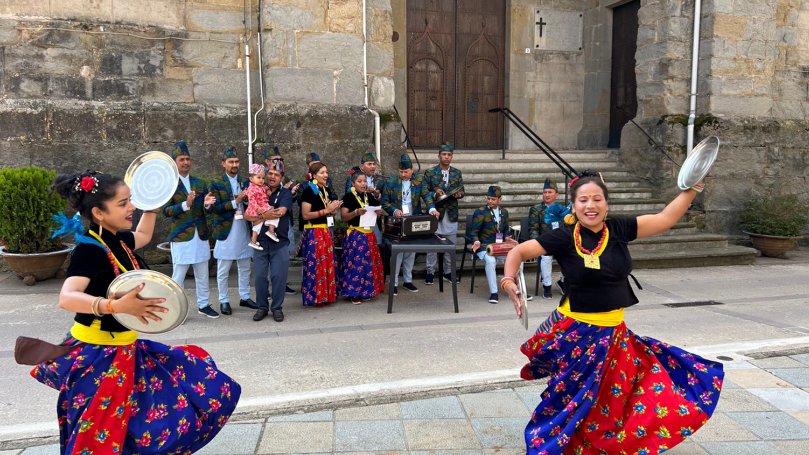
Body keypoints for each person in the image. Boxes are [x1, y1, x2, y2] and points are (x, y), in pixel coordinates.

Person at [501, 170, 723, 454]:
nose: (590, 205)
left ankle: (594, 444)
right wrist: (508, 281)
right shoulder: (564, 237)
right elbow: (517, 252)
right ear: (574, 205)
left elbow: (665, 219)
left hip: (615, 334)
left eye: (597, 199)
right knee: (570, 397)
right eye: (583, 200)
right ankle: (547, 446)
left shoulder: (619, 229)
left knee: (625, 393)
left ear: (606, 204)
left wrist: (691, 190)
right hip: (577, 334)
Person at [34, 170, 240, 454]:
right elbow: (67, 298)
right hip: (98, 356)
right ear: (99, 212)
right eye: (123, 203)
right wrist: (114, 306)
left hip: (126, 349)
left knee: (197, 393)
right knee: (98, 438)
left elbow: (143, 234)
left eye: (130, 200)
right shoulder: (89, 250)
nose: (132, 207)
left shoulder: (117, 239)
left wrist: (152, 205)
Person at [162, 140, 219, 318]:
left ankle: (203, 305)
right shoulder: (169, 184)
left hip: (200, 235)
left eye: (188, 159)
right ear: (175, 162)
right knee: (178, 275)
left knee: (202, 273)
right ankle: (174, 309)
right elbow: (166, 211)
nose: (186, 162)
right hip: (181, 236)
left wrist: (207, 204)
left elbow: (204, 207)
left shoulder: (199, 183)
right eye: (181, 159)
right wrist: (185, 205)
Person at [209, 146, 258, 315]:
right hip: (226, 231)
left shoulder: (245, 182)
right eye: (231, 162)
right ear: (223, 164)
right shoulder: (217, 183)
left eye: (237, 161)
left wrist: (247, 202)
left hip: (244, 228)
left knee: (244, 266)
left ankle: (244, 297)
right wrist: (235, 201)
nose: (234, 164)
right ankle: (224, 300)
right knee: (223, 269)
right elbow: (215, 208)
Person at [380, 154, 439, 295]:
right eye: (401, 172)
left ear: (412, 170)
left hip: (413, 220)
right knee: (397, 252)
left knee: (411, 252)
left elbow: (426, 196)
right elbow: (385, 202)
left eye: (406, 172)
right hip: (397, 222)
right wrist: (394, 210)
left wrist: (432, 208)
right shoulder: (392, 182)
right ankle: (393, 283)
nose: (403, 174)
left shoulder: (419, 181)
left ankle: (407, 280)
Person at [246, 158, 294, 322]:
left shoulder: (285, 193)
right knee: (259, 277)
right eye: (270, 173)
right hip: (259, 243)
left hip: (279, 242)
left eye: (277, 174)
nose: (272, 176)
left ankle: (277, 307)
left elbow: (282, 211)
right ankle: (262, 307)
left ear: (281, 178)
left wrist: (262, 216)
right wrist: (263, 216)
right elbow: (246, 215)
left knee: (278, 277)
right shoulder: (256, 189)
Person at [300, 161, 342, 306]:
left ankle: (326, 296)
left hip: (325, 231)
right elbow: (305, 215)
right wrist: (326, 210)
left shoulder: (326, 190)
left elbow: (328, 210)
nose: (326, 175)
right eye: (322, 173)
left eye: (326, 172)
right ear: (313, 175)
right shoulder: (308, 191)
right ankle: (315, 297)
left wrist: (333, 209)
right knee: (316, 266)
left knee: (327, 264)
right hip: (314, 232)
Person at [339, 170, 385, 303]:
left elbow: (378, 210)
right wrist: (356, 212)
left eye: (365, 181)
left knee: (369, 264)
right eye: (359, 181)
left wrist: (379, 212)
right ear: (353, 183)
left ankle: (367, 290)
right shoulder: (348, 197)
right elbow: (343, 217)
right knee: (356, 264)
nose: (363, 184)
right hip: (356, 235)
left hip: (369, 234)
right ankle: (354, 293)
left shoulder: (369, 197)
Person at [423, 142, 464, 285]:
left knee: (450, 245)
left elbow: (462, 190)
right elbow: (424, 191)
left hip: (451, 213)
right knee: (432, 246)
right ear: (439, 156)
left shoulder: (457, 173)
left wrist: (459, 194)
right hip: (436, 213)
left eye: (449, 155)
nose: (446, 157)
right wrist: (435, 194)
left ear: (452, 156)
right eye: (444, 154)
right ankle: (430, 272)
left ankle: (448, 272)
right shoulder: (430, 172)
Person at [261, 146, 300, 296]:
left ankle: (281, 285)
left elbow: (289, 200)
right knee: (265, 264)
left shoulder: (285, 177)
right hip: (264, 227)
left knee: (282, 259)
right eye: (274, 160)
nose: (278, 162)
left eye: (280, 160)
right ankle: (267, 292)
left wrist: (292, 194)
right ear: (266, 162)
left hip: (283, 224)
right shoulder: (259, 180)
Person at [527, 177, 568, 299]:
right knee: (546, 257)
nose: (547, 195)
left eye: (550, 192)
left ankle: (563, 281)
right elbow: (533, 229)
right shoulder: (537, 209)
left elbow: (567, 228)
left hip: (560, 242)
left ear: (556, 194)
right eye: (545, 192)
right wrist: (537, 243)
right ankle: (547, 286)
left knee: (571, 253)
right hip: (545, 242)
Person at [469, 185, 512, 304]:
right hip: (485, 246)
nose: (490, 201)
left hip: (499, 246)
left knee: (516, 258)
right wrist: (476, 241)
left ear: (499, 199)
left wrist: (508, 238)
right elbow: (474, 232)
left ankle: (515, 288)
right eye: (488, 198)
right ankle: (494, 293)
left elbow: (506, 230)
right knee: (491, 261)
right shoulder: (480, 212)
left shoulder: (504, 212)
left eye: (493, 199)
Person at [244, 163, 278, 247]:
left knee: (257, 226)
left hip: (260, 207)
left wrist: (268, 190)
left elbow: (265, 187)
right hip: (258, 207)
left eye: (263, 178)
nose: (261, 180)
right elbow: (251, 200)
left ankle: (253, 241)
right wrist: (257, 208)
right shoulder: (251, 188)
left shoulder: (261, 186)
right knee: (274, 213)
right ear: (251, 179)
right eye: (258, 177)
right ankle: (271, 231)